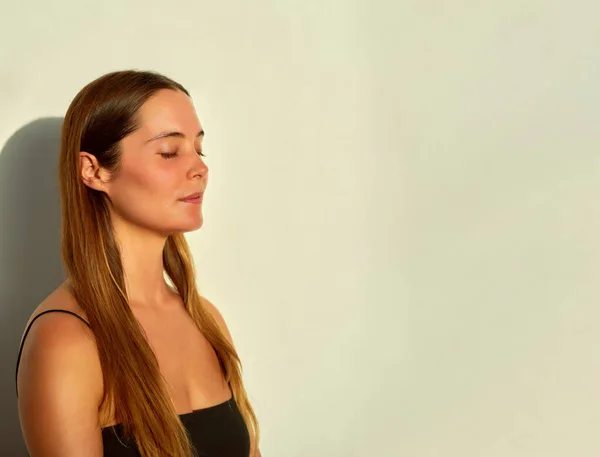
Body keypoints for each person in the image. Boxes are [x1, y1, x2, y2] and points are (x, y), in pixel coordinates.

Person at [14, 70, 261, 457]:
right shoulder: (66, 342)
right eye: (169, 152)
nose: (200, 168)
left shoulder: (205, 320)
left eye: (199, 149)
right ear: (93, 171)